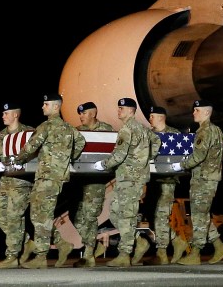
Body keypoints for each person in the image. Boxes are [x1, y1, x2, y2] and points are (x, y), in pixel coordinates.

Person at [16, 94, 86, 269]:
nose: (42, 107)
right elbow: (81, 142)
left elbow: (30, 147)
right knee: (41, 213)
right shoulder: (70, 129)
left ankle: (41, 256)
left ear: (56, 107)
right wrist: (69, 158)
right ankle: (62, 245)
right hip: (58, 177)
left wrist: (17, 160)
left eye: (46, 104)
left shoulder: (45, 127)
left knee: (41, 215)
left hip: (46, 177)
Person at [93, 97, 155, 267]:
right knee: (114, 212)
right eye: (119, 108)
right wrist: (144, 158)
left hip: (130, 179)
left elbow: (119, 155)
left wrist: (103, 165)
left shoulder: (127, 129)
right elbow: (156, 142)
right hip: (129, 179)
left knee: (126, 216)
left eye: (122, 108)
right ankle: (138, 241)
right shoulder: (143, 130)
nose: (119, 111)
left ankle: (125, 253)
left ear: (131, 111)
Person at [53, 101, 115, 268]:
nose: (80, 116)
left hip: (96, 182)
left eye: (84, 113)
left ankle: (88, 255)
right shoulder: (77, 131)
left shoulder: (107, 130)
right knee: (75, 215)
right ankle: (92, 243)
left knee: (90, 216)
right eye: (79, 113)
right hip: (78, 183)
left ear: (93, 114)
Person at [170, 99, 223, 265]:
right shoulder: (217, 130)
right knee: (202, 215)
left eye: (197, 110)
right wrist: (215, 162)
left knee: (198, 216)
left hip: (203, 179)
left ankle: (196, 253)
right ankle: (219, 247)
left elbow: (198, 156)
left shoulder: (203, 132)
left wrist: (180, 165)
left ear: (206, 112)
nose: (193, 113)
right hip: (210, 177)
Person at [0, 102, 35, 269]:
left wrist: (27, 163)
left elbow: (38, 153)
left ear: (16, 115)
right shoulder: (0, 136)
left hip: (22, 181)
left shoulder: (29, 133)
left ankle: (12, 256)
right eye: (3, 113)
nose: (3, 116)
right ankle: (27, 242)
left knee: (14, 217)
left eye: (6, 113)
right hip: (5, 181)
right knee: (0, 216)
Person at [147, 106, 188, 265]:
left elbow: (182, 157)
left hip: (167, 182)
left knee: (161, 215)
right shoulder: (149, 134)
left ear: (161, 117)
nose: (150, 119)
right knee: (152, 217)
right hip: (152, 182)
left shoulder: (175, 135)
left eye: (152, 116)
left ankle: (162, 252)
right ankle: (176, 241)